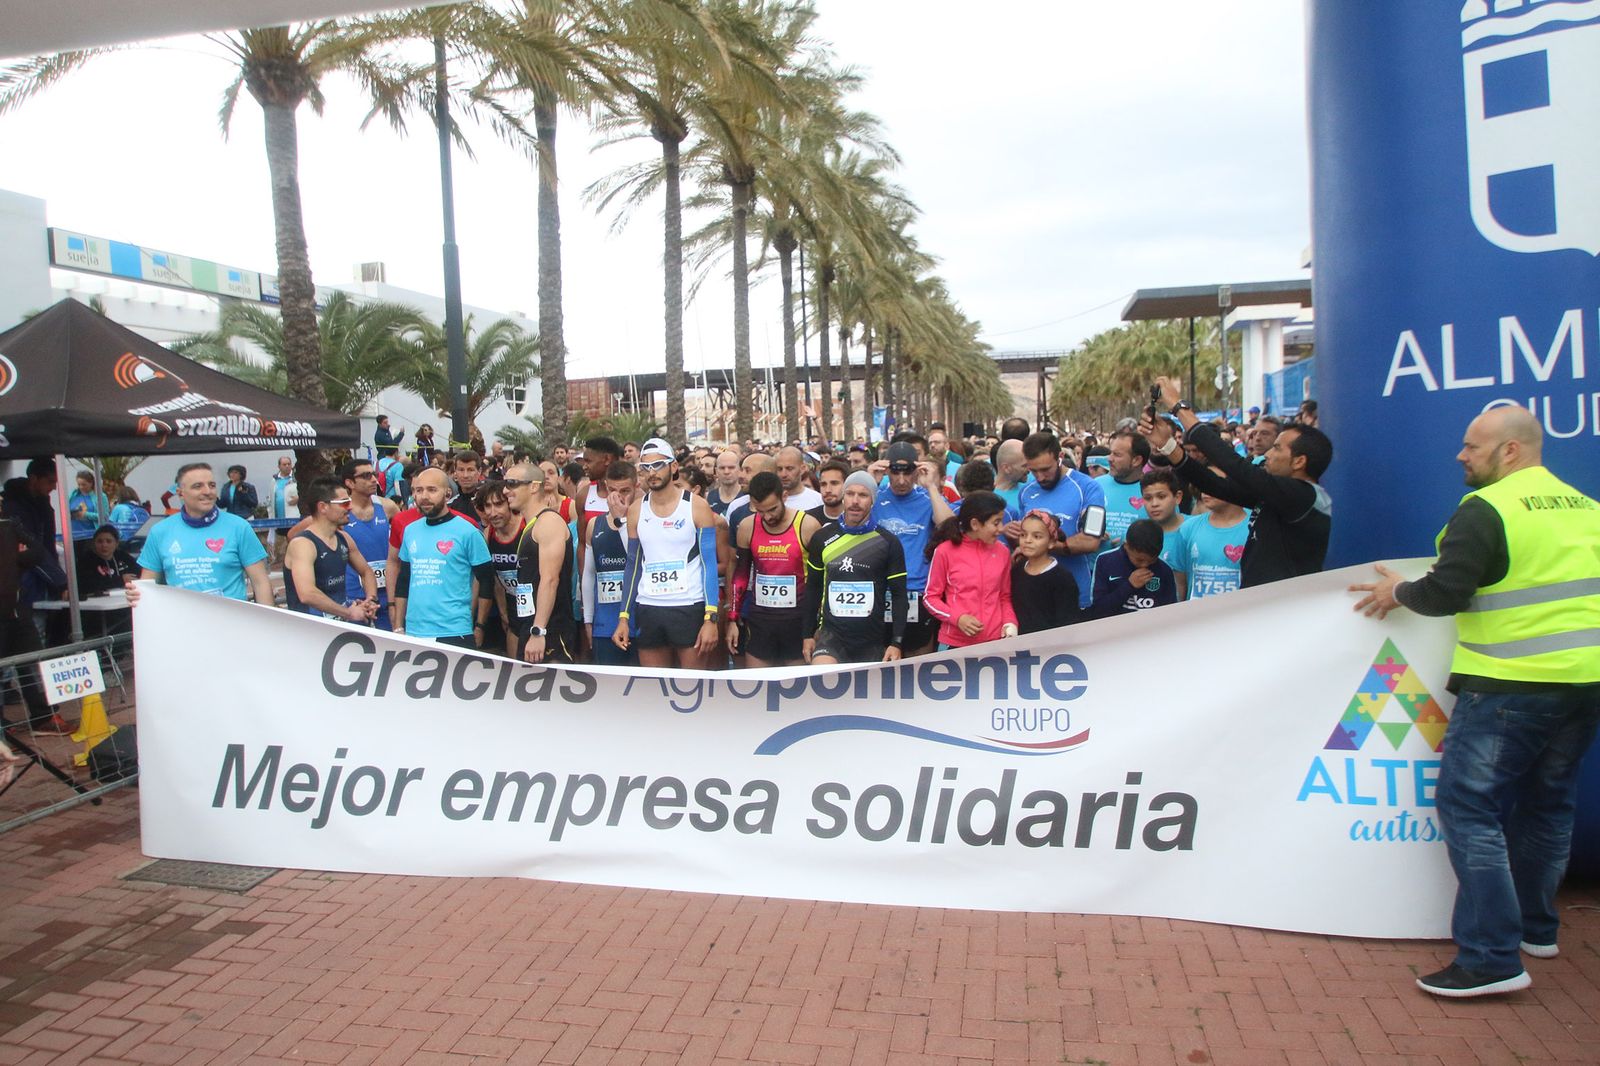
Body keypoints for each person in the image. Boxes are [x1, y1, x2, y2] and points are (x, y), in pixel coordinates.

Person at [1349, 405, 1600, 999]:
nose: (1461, 456)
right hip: (1585, 681)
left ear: (1509, 451)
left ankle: (1491, 957)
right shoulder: (1586, 509)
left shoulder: (1486, 510)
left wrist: (1398, 591)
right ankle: (1537, 929)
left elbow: (1447, 592)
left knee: (1469, 808)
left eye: (1472, 447)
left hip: (1509, 685)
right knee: (1548, 804)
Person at [1139, 376, 1332, 588]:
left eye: (1277, 448)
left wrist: (1179, 407)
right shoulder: (1280, 497)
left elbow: (1234, 466)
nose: (1267, 454)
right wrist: (1167, 445)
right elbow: (1216, 486)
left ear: (1299, 461)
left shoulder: (1304, 497)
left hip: (1284, 611)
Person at [613, 438, 721, 669]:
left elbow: (709, 563)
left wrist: (710, 617)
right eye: (646, 467)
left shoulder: (696, 506)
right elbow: (632, 566)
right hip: (649, 607)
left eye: (658, 465)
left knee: (692, 687)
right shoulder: (635, 511)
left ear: (673, 467)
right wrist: (623, 617)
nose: (652, 473)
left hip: (688, 605)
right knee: (655, 690)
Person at [802, 471, 907, 665]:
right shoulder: (822, 538)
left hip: (871, 639)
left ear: (873, 501)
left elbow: (899, 594)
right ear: (843, 496)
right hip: (832, 636)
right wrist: (807, 634)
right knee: (823, 679)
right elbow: (813, 588)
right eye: (850, 494)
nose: (855, 501)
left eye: (863, 495)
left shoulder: (888, 542)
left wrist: (896, 642)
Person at [137, 463, 273, 603]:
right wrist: (136, 596)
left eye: (212, 485)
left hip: (231, 622)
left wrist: (269, 623)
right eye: (198, 486)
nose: (207, 491)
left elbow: (260, 582)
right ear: (180, 493)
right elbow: (147, 586)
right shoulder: (160, 531)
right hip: (181, 622)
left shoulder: (239, 527)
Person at [391, 467, 493, 646]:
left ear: (447, 493)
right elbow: (404, 579)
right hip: (415, 631)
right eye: (418, 490)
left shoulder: (468, 531)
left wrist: (480, 626)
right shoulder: (410, 531)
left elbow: (486, 580)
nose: (424, 496)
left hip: (455, 631)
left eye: (432, 490)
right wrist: (399, 626)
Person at [728, 471, 819, 667]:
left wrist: (816, 625)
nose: (767, 517)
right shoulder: (747, 526)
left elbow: (820, 579)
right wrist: (732, 619)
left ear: (784, 497)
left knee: (795, 691)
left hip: (797, 620)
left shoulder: (807, 525)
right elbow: (741, 574)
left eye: (772, 509)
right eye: (760, 511)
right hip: (761, 619)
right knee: (758, 689)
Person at [1007, 432, 1106, 611]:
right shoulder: (1026, 492)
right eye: (1032, 470)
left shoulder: (1089, 488)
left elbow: (1091, 540)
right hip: (1033, 596)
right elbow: (1027, 540)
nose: (1039, 477)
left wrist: (1045, 545)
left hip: (1075, 595)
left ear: (1060, 457)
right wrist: (1014, 536)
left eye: (1045, 469)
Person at [872, 441, 955, 656]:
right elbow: (852, 524)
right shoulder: (876, 498)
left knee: (919, 660)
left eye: (907, 474)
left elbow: (948, 527)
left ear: (916, 472)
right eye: (895, 474)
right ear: (887, 470)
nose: (901, 481)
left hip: (917, 591)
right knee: (883, 660)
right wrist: (870, 483)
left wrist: (932, 486)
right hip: (883, 592)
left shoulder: (927, 499)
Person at [921, 491, 1017, 650]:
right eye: (996, 522)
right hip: (955, 643)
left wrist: (1010, 622)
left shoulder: (1003, 552)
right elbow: (930, 598)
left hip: (996, 642)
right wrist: (957, 619)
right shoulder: (945, 551)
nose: (1001, 529)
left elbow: (1004, 596)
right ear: (975, 524)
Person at [502, 463, 578, 664]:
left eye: (512, 484)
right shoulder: (533, 524)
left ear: (534, 486)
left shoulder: (548, 523)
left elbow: (550, 579)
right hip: (531, 623)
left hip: (550, 629)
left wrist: (539, 631)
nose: (505, 490)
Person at [0, 515, 63, 732]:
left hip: (17, 607)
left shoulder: (9, 525)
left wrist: (14, 557)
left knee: (34, 660)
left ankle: (44, 715)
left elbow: (37, 550)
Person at [284, 478, 379, 622]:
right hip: (308, 629)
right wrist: (348, 613)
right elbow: (307, 594)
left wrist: (370, 600)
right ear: (323, 507)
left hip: (336, 627)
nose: (350, 507)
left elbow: (366, 572)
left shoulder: (344, 538)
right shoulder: (303, 544)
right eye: (344, 503)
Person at [581, 460, 639, 666]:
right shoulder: (594, 525)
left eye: (625, 491)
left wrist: (621, 519)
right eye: (613, 490)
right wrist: (588, 619)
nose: (618, 497)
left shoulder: (642, 522)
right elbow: (589, 575)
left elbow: (636, 559)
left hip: (638, 623)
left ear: (636, 488)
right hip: (604, 623)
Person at [340, 458, 399, 630]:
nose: (373, 479)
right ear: (349, 482)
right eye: (366, 476)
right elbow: (300, 533)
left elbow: (406, 536)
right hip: (354, 593)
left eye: (373, 474)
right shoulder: (340, 511)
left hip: (386, 591)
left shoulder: (388, 506)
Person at [1176, 475, 1249, 599]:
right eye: (1204, 482)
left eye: (1214, 482)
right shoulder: (1188, 528)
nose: (1206, 488)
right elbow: (1180, 582)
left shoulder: (1256, 527)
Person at [1089, 518, 1175, 620]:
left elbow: (1170, 613)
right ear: (1126, 546)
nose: (1145, 565)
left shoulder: (1165, 570)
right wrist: (1129, 586)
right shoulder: (1105, 561)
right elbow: (1097, 610)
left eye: (1152, 560)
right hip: (1114, 630)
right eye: (1139, 560)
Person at [1011, 510, 1081, 634]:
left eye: (1037, 536)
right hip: (1019, 646)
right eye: (1023, 535)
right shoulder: (1017, 569)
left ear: (1051, 542)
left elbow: (1067, 622)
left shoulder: (1062, 579)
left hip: (1049, 647)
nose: (1028, 540)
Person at [477, 480, 525, 655]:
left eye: (498, 504)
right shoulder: (488, 533)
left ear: (510, 503)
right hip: (513, 611)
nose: (492, 512)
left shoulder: (528, 526)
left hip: (540, 612)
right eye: (487, 506)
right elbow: (496, 579)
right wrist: (504, 613)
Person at [1093, 431, 1151, 552]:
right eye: (1110, 453)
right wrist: (1092, 533)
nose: (1109, 459)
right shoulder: (1095, 486)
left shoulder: (1155, 491)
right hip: (1096, 567)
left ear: (1136, 460)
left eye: (1117, 455)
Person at [1139, 469, 1189, 601]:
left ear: (1177, 497)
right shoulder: (1139, 533)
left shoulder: (1193, 529)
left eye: (1161, 496)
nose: (1154, 504)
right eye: (1148, 498)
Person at [76, 525, 138, 596]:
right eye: (100, 541)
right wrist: (120, 580)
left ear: (116, 543)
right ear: (94, 543)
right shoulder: (86, 561)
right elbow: (87, 585)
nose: (104, 545)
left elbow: (138, 573)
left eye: (109, 541)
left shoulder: (123, 556)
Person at [774, 446, 824, 511]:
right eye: (779, 469)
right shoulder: (770, 500)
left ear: (802, 469)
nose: (783, 474)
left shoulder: (818, 500)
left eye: (789, 469)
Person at [446, 450, 486, 523]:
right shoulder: (449, 506)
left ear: (479, 471)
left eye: (470, 470)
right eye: (461, 470)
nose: (465, 475)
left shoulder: (488, 503)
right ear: (455, 471)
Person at [68, 471, 108, 540]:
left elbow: (104, 517)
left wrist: (85, 514)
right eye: (79, 484)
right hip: (74, 535)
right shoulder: (74, 495)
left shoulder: (100, 496)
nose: (81, 487)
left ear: (91, 483)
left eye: (84, 484)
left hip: (91, 535)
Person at [807, 460, 848, 525]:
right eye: (823, 484)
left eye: (834, 483)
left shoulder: (858, 519)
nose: (828, 490)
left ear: (847, 485)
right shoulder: (808, 519)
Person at [992, 439, 1027, 513]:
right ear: (1006, 468)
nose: (1029, 469)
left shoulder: (1029, 492)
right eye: (1024, 466)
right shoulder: (987, 495)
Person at [708, 449, 743, 516]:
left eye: (731, 467)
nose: (726, 472)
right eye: (722, 468)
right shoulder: (710, 497)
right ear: (716, 471)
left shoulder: (747, 497)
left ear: (739, 469)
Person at [269, 456, 298, 520]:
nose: (287, 466)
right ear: (279, 466)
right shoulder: (274, 480)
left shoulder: (297, 478)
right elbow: (270, 500)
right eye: (284, 464)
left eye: (289, 464)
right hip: (278, 519)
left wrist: (299, 498)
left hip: (294, 517)